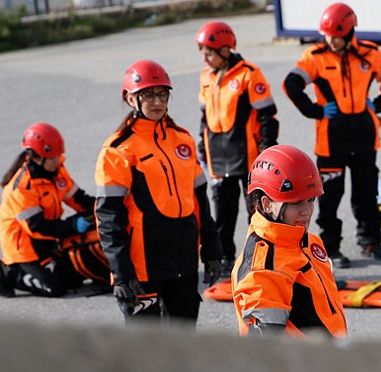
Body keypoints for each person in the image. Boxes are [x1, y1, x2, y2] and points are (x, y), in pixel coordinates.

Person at [95, 59, 222, 324]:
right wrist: (121, 274)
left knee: (183, 340)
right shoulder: (118, 150)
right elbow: (109, 219)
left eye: (162, 94)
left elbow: (200, 202)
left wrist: (212, 250)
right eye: (148, 95)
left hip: (183, 262)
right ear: (131, 99)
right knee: (147, 352)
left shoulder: (182, 140)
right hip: (143, 267)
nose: (157, 101)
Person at [283, 2, 381, 268]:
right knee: (329, 197)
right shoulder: (315, 56)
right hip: (331, 138)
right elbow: (291, 84)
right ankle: (331, 249)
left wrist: (378, 104)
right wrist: (316, 110)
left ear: (349, 33)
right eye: (327, 35)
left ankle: (371, 241)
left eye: (336, 36)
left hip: (364, 135)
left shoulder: (370, 53)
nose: (331, 41)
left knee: (366, 192)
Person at [231, 144, 347, 338]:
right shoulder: (263, 272)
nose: (307, 211)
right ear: (267, 204)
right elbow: (266, 353)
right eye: (295, 203)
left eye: (310, 200)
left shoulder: (306, 240)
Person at [196, 20, 280, 277]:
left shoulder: (248, 74)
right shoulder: (206, 78)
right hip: (219, 158)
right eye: (202, 51)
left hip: (248, 156)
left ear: (225, 49)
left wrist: (266, 149)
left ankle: (258, 256)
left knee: (256, 210)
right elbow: (205, 117)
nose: (205, 57)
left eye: (209, 51)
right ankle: (225, 258)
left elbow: (267, 115)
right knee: (223, 212)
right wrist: (202, 144)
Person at [0, 122, 107, 297]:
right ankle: (7, 273)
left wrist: (104, 208)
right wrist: (73, 226)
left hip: (49, 240)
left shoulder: (56, 171)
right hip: (25, 251)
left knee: (75, 274)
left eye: (58, 155)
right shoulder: (21, 189)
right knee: (54, 287)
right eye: (52, 157)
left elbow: (79, 199)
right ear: (36, 157)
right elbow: (37, 227)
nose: (57, 160)